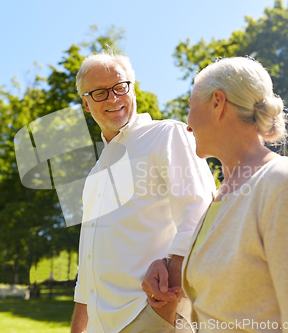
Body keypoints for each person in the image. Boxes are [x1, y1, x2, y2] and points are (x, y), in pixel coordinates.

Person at [144, 57, 288, 332]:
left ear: (217, 103)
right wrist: (165, 267)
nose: (187, 125)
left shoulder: (285, 185)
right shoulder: (219, 198)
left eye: (190, 107)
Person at [70, 51, 216, 333]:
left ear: (132, 89)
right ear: (86, 104)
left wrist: (162, 314)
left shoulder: (167, 135)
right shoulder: (94, 175)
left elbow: (200, 216)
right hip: (102, 327)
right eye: (99, 93)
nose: (113, 99)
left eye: (120, 87)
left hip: (149, 316)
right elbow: (87, 261)